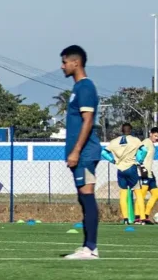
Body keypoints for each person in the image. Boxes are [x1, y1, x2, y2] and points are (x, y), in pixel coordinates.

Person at [61, 46, 101, 259]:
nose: (62, 66)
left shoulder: (85, 87)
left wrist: (76, 151)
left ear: (76, 63)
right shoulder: (77, 88)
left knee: (87, 197)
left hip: (85, 153)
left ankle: (91, 248)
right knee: (83, 197)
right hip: (81, 154)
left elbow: (88, 121)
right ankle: (88, 245)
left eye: (65, 62)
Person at [102, 122, 145, 226]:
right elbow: (144, 150)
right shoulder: (135, 140)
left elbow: (103, 153)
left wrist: (112, 160)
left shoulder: (114, 141)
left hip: (120, 169)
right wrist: (139, 159)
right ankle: (143, 218)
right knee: (138, 193)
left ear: (121, 130)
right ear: (131, 130)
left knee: (123, 194)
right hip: (131, 167)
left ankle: (125, 219)